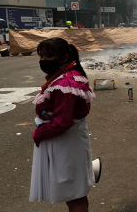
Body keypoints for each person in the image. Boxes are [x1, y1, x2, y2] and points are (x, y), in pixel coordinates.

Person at [30, 38, 96, 211]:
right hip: (70, 142)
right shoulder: (67, 76)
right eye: (42, 56)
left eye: (49, 56)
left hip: (66, 144)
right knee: (77, 192)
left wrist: (38, 134)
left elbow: (62, 122)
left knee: (72, 195)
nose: (43, 61)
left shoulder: (65, 84)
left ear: (65, 57)